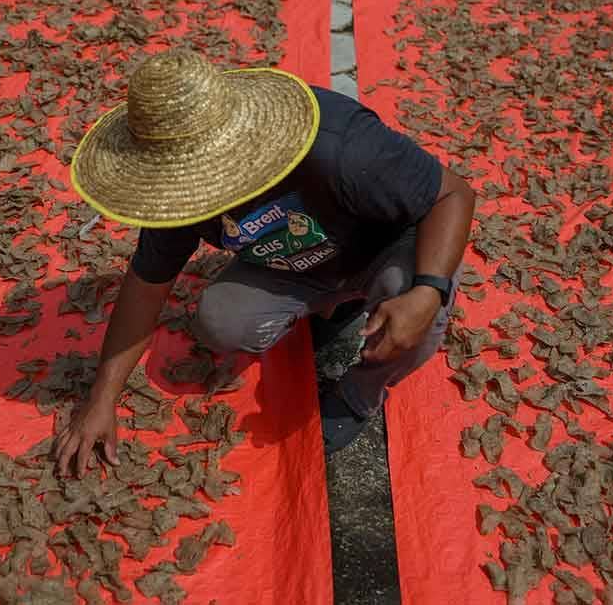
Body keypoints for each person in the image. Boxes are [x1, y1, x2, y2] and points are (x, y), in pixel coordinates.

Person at [54, 49, 475, 476]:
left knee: (420, 318)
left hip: (385, 250)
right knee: (222, 321)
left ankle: (358, 396)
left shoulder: (339, 146)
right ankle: (336, 304)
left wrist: (428, 288)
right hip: (300, 264)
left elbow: (454, 194)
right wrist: (101, 400)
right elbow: (145, 286)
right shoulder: (174, 193)